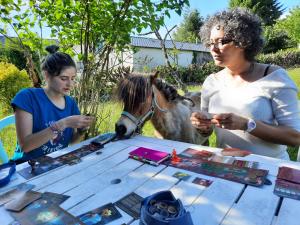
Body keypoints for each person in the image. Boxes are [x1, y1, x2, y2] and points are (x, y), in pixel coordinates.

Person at [190, 8, 300, 160]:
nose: (213, 49)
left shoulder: (275, 78)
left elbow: (294, 137)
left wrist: (247, 124)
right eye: (210, 43)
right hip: (226, 168)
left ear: (244, 40)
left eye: (222, 41)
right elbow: (208, 131)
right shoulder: (211, 82)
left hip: (270, 171)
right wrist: (202, 126)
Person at [11, 45, 93, 162]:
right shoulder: (27, 98)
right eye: (63, 78)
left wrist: (81, 131)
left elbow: (71, 141)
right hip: (26, 166)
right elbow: (25, 146)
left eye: (73, 78)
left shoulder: (71, 103)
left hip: (55, 164)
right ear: (46, 75)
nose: (70, 84)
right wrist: (63, 124)